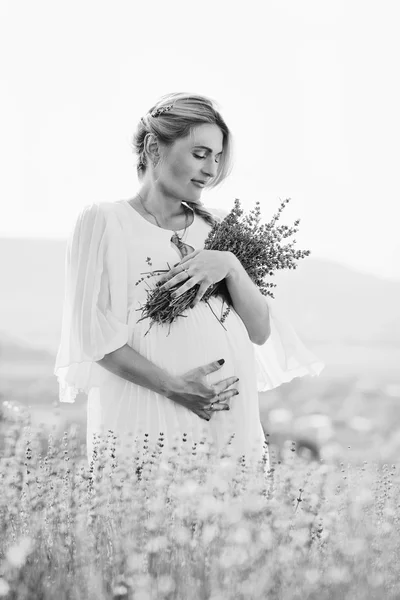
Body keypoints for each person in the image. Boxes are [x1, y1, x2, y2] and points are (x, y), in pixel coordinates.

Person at [54, 92, 324, 473]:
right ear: (153, 147)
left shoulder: (219, 227)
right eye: (200, 154)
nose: (211, 169)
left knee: (231, 525)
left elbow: (261, 330)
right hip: (146, 408)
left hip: (228, 414)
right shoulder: (103, 221)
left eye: (217, 158)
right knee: (148, 517)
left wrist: (230, 265)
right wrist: (175, 387)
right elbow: (92, 335)